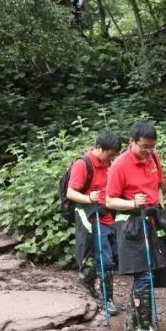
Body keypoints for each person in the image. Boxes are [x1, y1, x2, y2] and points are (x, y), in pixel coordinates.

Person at [105, 122, 166, 331]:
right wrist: (132, 203)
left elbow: (160, 185)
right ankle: (144, 325)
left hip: (151, 220)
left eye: (152, 146)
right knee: (144, 272)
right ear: (131, 142)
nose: (148, 152)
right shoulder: (119, 165)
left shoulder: (153, 157)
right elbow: (109, 200)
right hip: (130, 223)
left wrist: (161, 208)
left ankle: (133, 324)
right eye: (144, 147)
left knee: (153, 270)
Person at [66, 132, 122, 313]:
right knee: (105, 259)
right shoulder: (83, 164)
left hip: (110, 215)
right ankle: (108, 301)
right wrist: (90, 198)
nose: (112, 157)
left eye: (115, 154)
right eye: (110, 153)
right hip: (92, 216)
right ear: (99, 148)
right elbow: (70, 193)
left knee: (114, 256)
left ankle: (88, 280)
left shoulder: (110, 163)